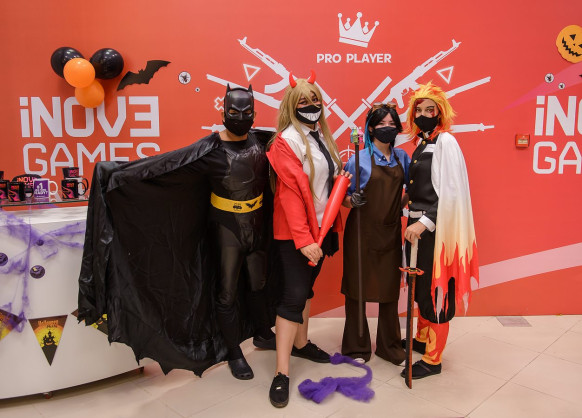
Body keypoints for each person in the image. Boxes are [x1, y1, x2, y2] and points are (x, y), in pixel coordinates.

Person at [77, 85, 275, 378]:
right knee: (227, 292)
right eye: (234, 112)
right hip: (227, 230)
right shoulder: (210, 149)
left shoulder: (262, 142)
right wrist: (116, 172)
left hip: (256, 225)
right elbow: (165, 165)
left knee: (258, 284)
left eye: (247, 113)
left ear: (255, 114)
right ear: (223, 114)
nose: (241, 117)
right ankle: (234, 352)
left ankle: (263, 332)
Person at [265, 72, 350, 408]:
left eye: (315, 99)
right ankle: (281, 373)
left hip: (321, 230)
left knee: (307, 290)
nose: (311, 105)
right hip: (296, 235)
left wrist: (347, 199)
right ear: (291, 106)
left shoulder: (321, 136)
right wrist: (303, 240)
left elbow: (325, 187)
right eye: (303, 101)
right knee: (293, 296)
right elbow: (289, 196)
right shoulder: (285, 142)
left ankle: (301, 344)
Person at [401, 82, 479, 379]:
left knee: (436, 290)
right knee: (420, 287)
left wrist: (425, 222)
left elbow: (452, 192)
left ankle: (433, 359)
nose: (423, 115)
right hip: (416, 230)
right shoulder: (422, 144)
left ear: (440, 113)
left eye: (429, 110)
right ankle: (421, 339)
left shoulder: (446, 142)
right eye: (418, 110)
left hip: (436, 232)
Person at [340, 102, 410, 365]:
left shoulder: (402, 158)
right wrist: (351, 201)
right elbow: (342, 197)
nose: (387, 128)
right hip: (361, 233)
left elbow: (412, 188)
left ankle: (389, 346)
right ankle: (356, 348)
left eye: (392, 124)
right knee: (357, 288)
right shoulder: (358, 160)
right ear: (370, 129)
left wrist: (398, 207)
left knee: (389, 290)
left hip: (390, 233)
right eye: (381, 124)